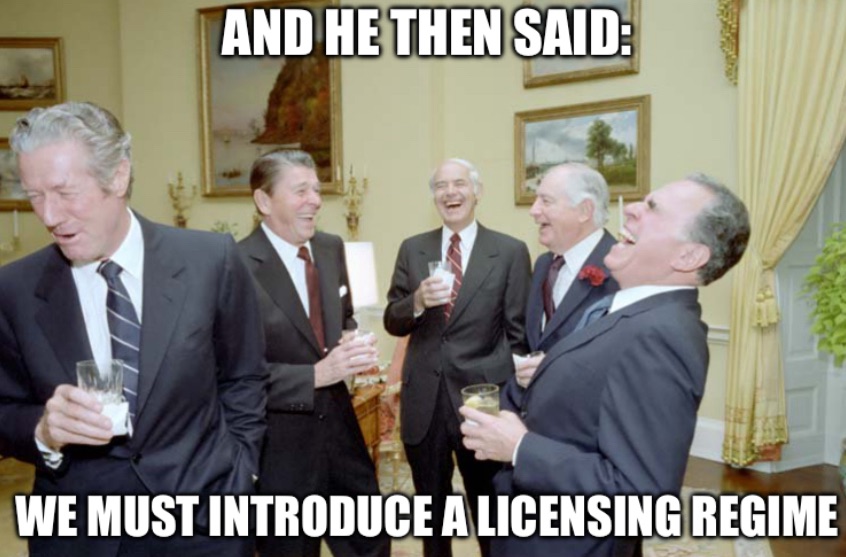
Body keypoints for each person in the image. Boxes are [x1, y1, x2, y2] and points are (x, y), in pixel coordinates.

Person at [0, 102, 266, 556]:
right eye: (35, 196)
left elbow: (244, 377)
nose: (49, 216)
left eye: (65, 192)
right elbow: (5, 409)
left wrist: (243, 472)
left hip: (205, 525)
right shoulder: (14, 288)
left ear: (118, 176)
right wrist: (44, 430)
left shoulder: (210, 261)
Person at [461, 173, 750, 557]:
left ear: (688, 256)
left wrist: (520, 448)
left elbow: (642, 496)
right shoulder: (631, 310)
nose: (630, 209)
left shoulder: (662, 336)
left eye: (653, 209)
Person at [237, 149, 389, 557]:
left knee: (371, 542)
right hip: (279, 448)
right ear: (264, 200)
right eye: (301, 190)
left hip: (341, 430)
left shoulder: (329, 247)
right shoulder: (235, 266)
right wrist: (315, 375)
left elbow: (344, 315)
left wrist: (352, 342)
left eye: (317, 190)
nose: (316, 201)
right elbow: (230, 374)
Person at [383, 158, 531, 557]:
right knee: (432, 513)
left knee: (491, 509)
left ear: (477, 192)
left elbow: (518, 335)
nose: (450, 193)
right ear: (433, 196)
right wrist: (416, 301)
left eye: (459, 184)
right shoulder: (412, 248)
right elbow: (393, 320)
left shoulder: (510, 252)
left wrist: (514, 404)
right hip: (425, 399)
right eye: (441, 186)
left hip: (481, 400)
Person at [517, 163, 620, 388]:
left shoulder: (621, 270)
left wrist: (555, 372)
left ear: (584, 211)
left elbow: (622, 361)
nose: (533, 210)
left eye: (546, 201)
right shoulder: (544, 264)